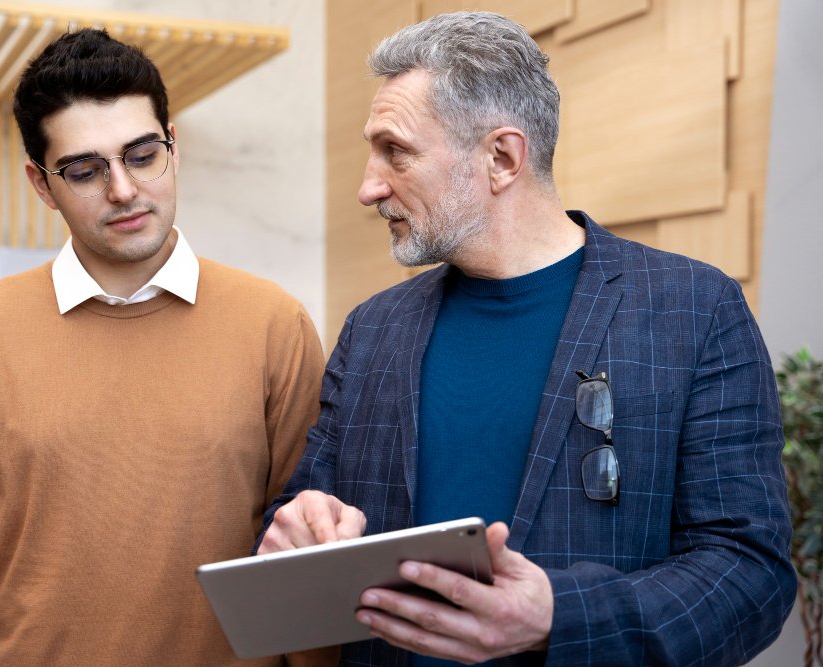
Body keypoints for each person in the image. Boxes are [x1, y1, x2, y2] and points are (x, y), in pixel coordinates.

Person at [257, 11, 796, 666]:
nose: (368, 187)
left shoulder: (695, 310)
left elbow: (750, 574)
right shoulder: (372, 329)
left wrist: (560, 617)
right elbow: (301, 515)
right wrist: (296, 531)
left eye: (395, 151)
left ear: (502, 157)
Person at [0, 28, 327, 666]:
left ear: (173, 146)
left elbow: (313, 556)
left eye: (142, 155)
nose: (123, 190)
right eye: (85, 170)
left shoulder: (274, 324)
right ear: (41, 183)